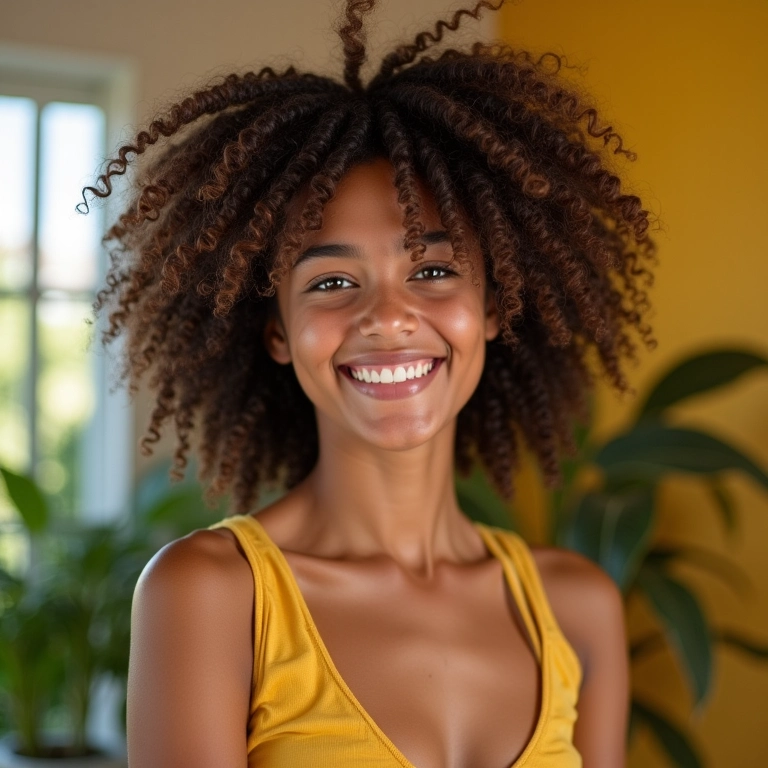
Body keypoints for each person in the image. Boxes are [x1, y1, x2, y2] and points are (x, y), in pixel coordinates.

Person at [85, 0, 658, 764]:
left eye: (431, 270)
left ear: (493, 306)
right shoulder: (211, 594)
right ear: (279, 332)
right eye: (330, 282)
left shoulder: (577, 607)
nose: (387, 316)